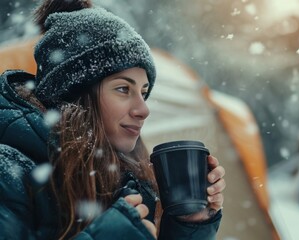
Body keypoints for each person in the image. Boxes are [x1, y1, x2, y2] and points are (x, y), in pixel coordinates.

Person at [0, 0, 225, 239]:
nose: (143, 109)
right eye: (123, 89)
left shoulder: (121, 177)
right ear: (74, 95)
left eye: (144, 92)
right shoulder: (8, 171)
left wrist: (188, 225)